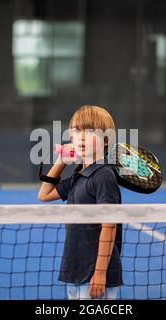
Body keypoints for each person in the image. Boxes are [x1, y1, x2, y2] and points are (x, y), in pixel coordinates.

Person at [37, 105, 123, 300]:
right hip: (75, 271)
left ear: (106, 140)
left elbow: (109, 226)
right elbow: (44, 194)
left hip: (96, 277)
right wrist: (62, 161)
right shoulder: (80, 175)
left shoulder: (103, 176)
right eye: (76, 131)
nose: (81, 136)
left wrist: (100, 274)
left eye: (90, 131)